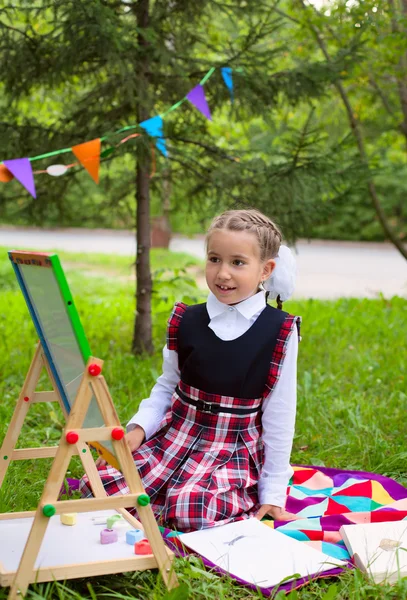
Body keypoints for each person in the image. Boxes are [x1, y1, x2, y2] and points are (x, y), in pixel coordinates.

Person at [80, 208, 300, 531]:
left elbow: (280, 413)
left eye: (237, 262)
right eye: (214, 259)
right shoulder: (186, 319)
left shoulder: (278, 330)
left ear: (266, 269)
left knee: (191, 507)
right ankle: (161, 496)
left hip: (229, 448)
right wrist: (138, 429)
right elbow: (167, 387)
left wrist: (274, 491)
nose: (222, 273)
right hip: (175, 436)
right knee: (99, 484)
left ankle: (193, 499)